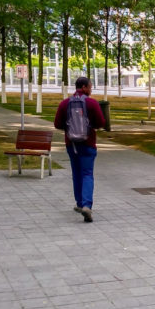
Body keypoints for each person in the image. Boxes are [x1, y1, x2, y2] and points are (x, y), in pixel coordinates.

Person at [54, 77, 106, 222]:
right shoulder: (92, 103)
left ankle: (79, 203)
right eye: (90, 87)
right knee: (87, 174)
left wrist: (69, 127)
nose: (91, 89)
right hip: (88, 144)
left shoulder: (65, 103)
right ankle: (87, 205)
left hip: (71, 144)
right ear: (83, 87)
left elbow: (57, 124)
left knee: (76, 174)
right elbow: (101, 122)